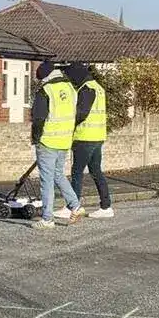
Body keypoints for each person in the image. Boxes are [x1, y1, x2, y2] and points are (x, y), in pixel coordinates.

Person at [29, 60, 80, 228]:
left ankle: (47, 218)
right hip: (64, 140)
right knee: (58, 175)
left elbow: (38, 119)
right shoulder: (70, 89)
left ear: (44, 77)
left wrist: (35, 138)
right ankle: (75, 206)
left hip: (47, 141)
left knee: (47, 180)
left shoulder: (46, 91)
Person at [66, 61, 114, 219]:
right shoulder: (98, 88)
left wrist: (67, 125)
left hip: (84, 137)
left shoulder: (86, 89)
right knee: (95, 171)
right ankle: (106, 206)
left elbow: (81, 113)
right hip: (98, 136)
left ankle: (72, 207)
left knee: (77, 172)